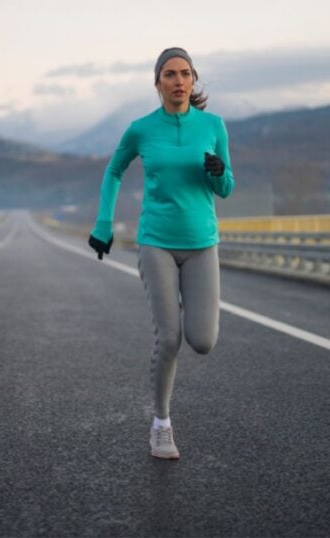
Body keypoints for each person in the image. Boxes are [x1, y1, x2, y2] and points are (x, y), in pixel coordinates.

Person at [88, 47, 235, 460]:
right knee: (169, 338)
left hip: (202, 244)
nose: (178, 81)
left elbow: (226, 188)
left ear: (194, 80)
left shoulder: (213, 126)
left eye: (185, 73)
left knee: (202, 341)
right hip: (156, 242)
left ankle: (186, 305)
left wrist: (219, 174)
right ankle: (161, 424)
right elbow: (114, 171)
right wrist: (103, 223)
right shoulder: (141, 129)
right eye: (169, 74)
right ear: (158, 84)